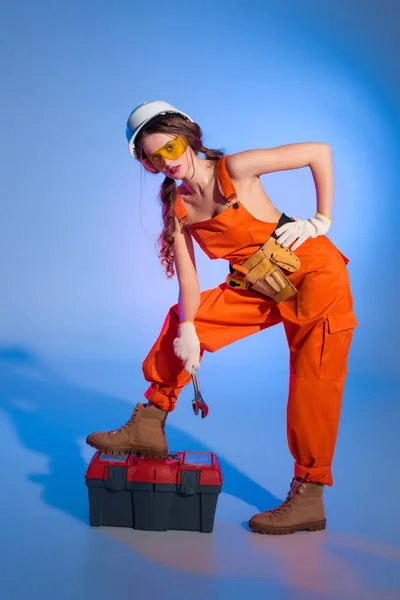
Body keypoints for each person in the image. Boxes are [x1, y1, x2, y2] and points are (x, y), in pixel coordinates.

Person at [86, 100, 358, 535]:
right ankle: (150, 423)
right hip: (258, 283)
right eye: (152, 159)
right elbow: (189, 284)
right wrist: (192, 329)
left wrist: (320, 220)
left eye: (171, 148)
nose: (166, 163)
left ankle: (309, 494)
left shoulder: (237, 168)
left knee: (314, 382)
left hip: (314, 275)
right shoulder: (178, 205)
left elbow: (318, 152)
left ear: (189, 138)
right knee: (182, 319)